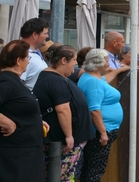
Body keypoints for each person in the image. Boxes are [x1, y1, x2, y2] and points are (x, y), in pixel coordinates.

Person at [34, 44, 93, 182]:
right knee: (62, 176)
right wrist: (69, 135)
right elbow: (62, 109)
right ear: (63, 60)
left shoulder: (54, 77)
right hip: (63, 140)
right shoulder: (54, 80)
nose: (76, 64)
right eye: (74, 60)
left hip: (66, 139)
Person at [0, 40, 48, 181]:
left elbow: (18, 108)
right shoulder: (5, 81)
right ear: (18, 60)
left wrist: (37, 120)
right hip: (15, 155)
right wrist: (6, 122)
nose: (28, 62)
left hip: (27, 151)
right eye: (27, 58)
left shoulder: (15, 80)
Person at [77, 49, 124, 182]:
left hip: (104, 129)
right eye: (107, 60)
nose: (109, 62)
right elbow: (94, 110)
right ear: (98, 63)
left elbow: (105, 79)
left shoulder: (92, 77)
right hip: (100, 132)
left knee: (92, 167)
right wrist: (103, 133)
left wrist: (119, 70)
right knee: (95, 168)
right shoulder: (94, 83)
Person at [18, 17, 49, 90]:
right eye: (45, 33)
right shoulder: (22, 54)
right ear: (34, 35)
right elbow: (17, 83)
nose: (47, 36)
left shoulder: (35, 53)